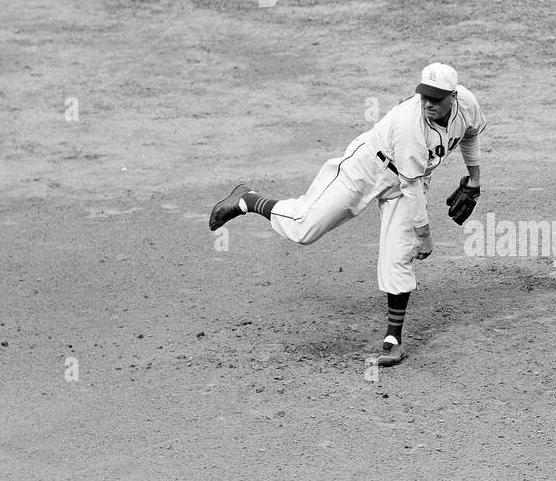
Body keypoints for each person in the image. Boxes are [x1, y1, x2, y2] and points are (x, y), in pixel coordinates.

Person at [209, 63, 488, 366]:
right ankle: (248, 199)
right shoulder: (411, 126)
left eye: (436, 98)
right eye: (424, 96)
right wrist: (425, 236)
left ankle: (393, 342)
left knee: (398, 255)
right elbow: (411, 188)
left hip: (411, 180)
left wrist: (474, 180)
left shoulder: (467, 104)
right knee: (305, 227)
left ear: (453, 96)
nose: (428, 103)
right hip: (367, 168)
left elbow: (470, 135)